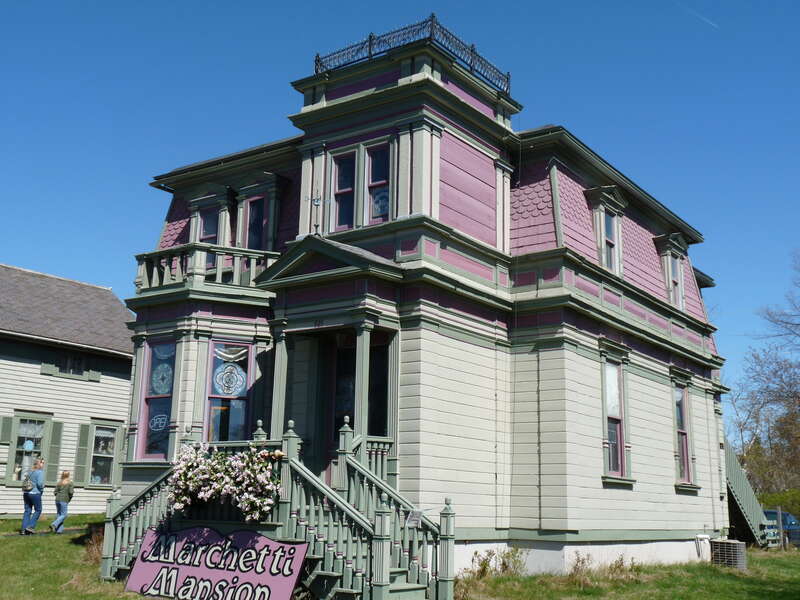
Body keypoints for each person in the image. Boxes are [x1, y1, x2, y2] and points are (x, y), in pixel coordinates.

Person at [20, 458, 45, 535]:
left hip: (26, 493)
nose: (43, 464)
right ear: (39, 464)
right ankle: (30, 527)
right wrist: (41, 490)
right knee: (38, 510)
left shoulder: (30, 472)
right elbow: (40, 484)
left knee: (27, 511)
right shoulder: (40, 472)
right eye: (42, 463)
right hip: (35, 493)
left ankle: (23, 530)